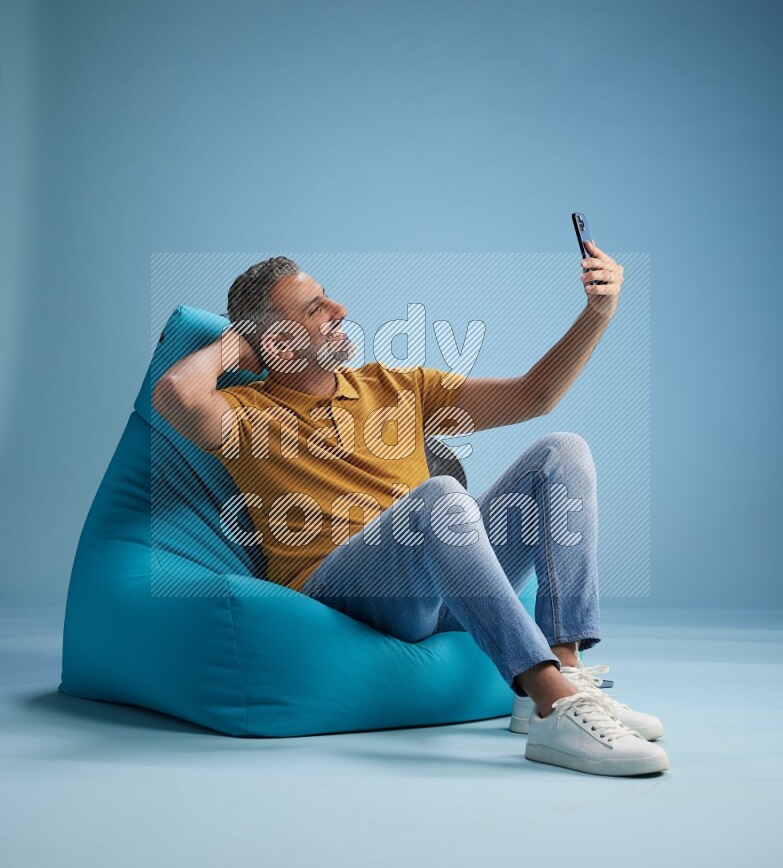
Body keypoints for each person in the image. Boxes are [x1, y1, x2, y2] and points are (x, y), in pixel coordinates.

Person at [152, 245, 668, 777]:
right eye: (315, 308)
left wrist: (597, 313)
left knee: (562, 452)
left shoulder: (394, 386)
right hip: (345, 593)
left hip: (443, 584)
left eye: (328, 297)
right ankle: (551, 703)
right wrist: (236, 344)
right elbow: (174, 392)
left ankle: (567, 672)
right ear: (279, 343)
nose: (340, 310)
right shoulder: (247, 414)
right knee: (440, 496)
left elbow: (534, 396)